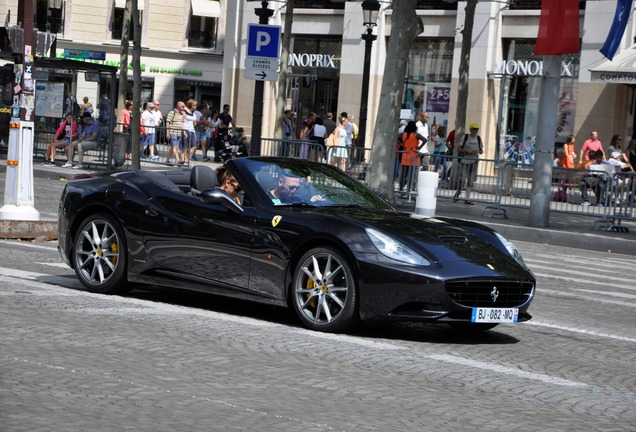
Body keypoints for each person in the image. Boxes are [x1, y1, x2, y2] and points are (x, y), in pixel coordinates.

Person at [453, 123, 483, 205]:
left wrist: (477, 151)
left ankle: (467, 198)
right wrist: (467, 151)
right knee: (462, 179)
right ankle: (458, 193)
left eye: (477, 129)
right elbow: (458, 148)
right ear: (470, 129)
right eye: (474, 129)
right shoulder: (465, 137)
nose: (475, 131)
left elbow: (481, 150)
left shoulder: (478, 138)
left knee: (470, 180)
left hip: (474, 161)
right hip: (465, 161)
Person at [399, 121, 420, 194]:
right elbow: (425, 139)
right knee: (411, 176)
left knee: (403, 174)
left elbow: (396, 137)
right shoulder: (416, 135)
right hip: (413, 156)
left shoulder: (404, 134)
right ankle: (409, 190)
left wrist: (402, 144)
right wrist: (419, 147)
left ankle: (401, 189)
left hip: (405, 156)